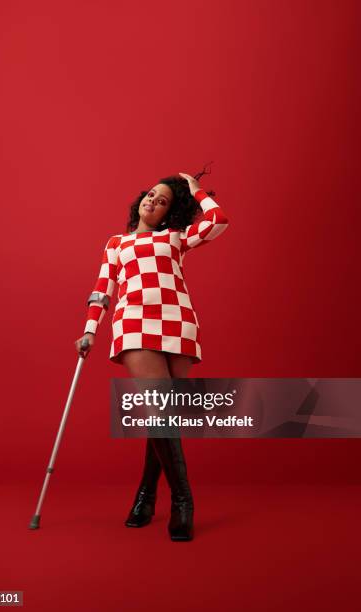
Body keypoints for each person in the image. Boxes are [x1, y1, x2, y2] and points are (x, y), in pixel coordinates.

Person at [74, 169, 229, 541]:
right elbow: (102, 289)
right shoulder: (116, 243)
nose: (153, 202)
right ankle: (183, 500)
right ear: (139, 201)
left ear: (168, 214)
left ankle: (145, 495)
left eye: (163, 202)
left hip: (179, 323)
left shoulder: (176, 238)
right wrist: (90, 329)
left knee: (164, 417)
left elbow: (218, 221)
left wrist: (196, 190)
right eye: (150, 195)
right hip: (134, 322)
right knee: (159, 409)